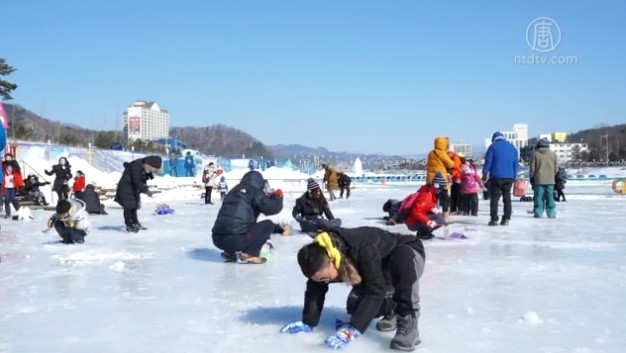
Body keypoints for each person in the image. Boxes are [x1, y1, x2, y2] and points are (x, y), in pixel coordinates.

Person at [280, 228, 426, 352]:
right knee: (355, 307)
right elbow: (315, 289)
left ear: (331, 260)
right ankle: (392, 308)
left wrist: (354, 329)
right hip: (378, 270)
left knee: (402, 255)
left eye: (326, 278)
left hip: (408, 257)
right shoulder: (319, 255)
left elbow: (375, 290)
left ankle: (408, 320)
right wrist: (308, 321)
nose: (326, 282)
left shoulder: (360, 248)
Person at [211, 170, 285, 264]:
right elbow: (272, 208)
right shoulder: (255, 191)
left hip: (217, 239)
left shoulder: (233, 191)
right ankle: (250, 254)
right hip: (236, 240)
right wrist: (277, 196)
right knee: (268, 225)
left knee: (236, 223)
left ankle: (229, 252)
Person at [114, 155, 162, 232]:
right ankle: (129, 225)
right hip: (126, 187)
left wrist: (148, 176)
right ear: (150, 165)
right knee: (128, 207)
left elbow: (142, 177)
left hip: (133, 187)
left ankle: (135, 223)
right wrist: (146, 190)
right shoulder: (137, 165)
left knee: (134, 206)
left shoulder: (143, 165)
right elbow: (136, 180)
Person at [482, 132, 519, 226]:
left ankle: (494, 219)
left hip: (496, 176)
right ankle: (506, 218)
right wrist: (514, 175)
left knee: (494, 198)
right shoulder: (512, 147)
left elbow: (489, 161)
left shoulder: (493, 147)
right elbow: (515, 163)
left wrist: (485, 173)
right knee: (507, 198)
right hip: (509, 177)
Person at [405, 172, 447, 240]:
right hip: (412, 222)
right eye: (442, 187)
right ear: (437, 186)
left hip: (415, 219)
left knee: (439, 217)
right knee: (440, 220)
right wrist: (428, 221)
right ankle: (423, 233)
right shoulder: (426, 195)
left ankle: (424, 232)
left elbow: (426, 205)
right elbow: (415, 212)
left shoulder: (430, 193)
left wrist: (433, 209)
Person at [426, 137, 455, 222]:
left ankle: (434, 215)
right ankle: (445, 215)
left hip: (431, 179)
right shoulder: (442, 153)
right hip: (440, 178)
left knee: (433, 198)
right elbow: (451, 164)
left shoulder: (431, 153)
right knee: (444, 197)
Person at [530, 138, 558, 218]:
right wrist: (552, 174)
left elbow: (532, 168)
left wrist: (533, 177)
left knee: (538, 197)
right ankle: (551, 213)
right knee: (550, 197)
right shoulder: (553, 154)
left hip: (538, 180)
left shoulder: (535, 154)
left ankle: (538, 213)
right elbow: (556, 167)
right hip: (550, 180)